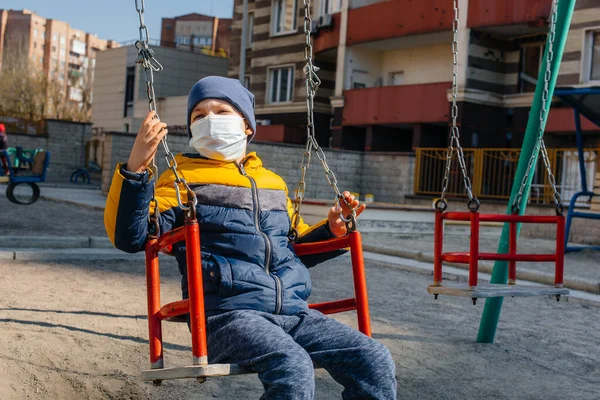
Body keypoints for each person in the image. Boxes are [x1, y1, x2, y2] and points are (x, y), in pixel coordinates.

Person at [104, 76, 397, 399]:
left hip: (292, 310)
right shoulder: (181, 181)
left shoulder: (272, 183)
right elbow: (131, 236)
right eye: (198, 116)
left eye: (221, 110)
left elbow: (293, 247)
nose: (210, 120)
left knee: (372, 356)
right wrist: (136, 168)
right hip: (228, 314)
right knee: (292, 365)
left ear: (246, 126)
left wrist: (332, 230)